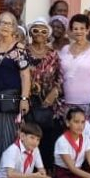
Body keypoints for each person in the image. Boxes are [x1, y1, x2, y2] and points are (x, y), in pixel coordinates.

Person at [0, 11, 32, 159]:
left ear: (14, 28)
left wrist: (24, 98)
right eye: (2, 23)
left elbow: (25, 75)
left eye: (9, 24)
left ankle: (7, 173)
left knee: (8, 136)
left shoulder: (19, 48)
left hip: (10, 100)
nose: (5, 26)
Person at [24, 17, 64, 168]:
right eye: (35, 30)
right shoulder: (23, 51)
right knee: (30, 135)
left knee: (47, 138)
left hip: (48, 102)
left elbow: (60, 77)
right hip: (28, 101)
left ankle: (45, 169)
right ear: (30, 32)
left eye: (43, 31)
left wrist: (54, 91)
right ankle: (29, 170)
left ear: (48, 34)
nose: (39, 33)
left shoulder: (53, 54)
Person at [59, 14, 90, 115]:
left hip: (88, 103)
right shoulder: (65, 49)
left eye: (82, 28)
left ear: (88, 30)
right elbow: (59, 75)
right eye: (75, 28)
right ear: (71, 31)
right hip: (66, 102)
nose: (79, 31)